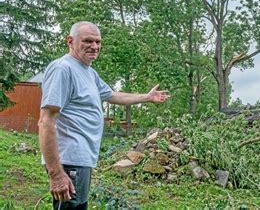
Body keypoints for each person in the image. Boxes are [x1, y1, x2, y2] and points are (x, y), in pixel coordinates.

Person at [38, 21, 170, 209]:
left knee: (79, 206)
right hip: (68, 161)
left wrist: (147, 97)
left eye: (98, 42)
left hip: (81, 159)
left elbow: (112, 95)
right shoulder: (63, 69)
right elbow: (46, 121)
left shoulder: (89, 72)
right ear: (70, 41)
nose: (95, 46)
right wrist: (56, 174)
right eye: (88, 41)